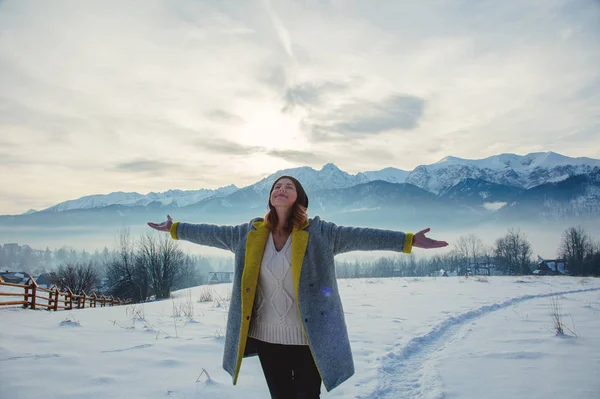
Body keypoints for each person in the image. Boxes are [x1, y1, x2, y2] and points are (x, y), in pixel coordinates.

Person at [148, 175, 448, 398]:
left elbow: (363, 235)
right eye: (276, 186)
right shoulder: (249, 233)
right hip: (267, 337)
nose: (281, 189)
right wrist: (175, 228)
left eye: (288, 187)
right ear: (270, 198)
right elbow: (211, 233)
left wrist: (408, 240)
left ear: (298, 198)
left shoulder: (320, 232)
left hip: (309, 337)